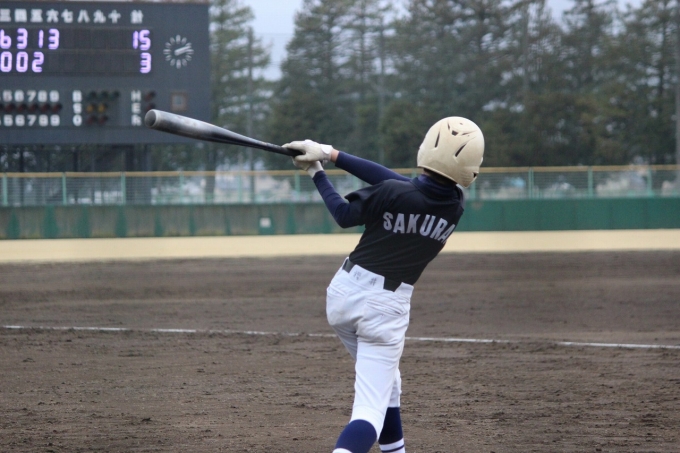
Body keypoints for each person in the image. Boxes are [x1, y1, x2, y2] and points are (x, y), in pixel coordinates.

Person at [282, 116, 485, 453]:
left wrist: (318, 171)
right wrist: (330, 154)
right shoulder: (455, 206)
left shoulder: (393, 192)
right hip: (383, 310)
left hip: (343, 293)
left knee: (389, 385)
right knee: (369, 413)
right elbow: (403, 185)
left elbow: (345, 214)